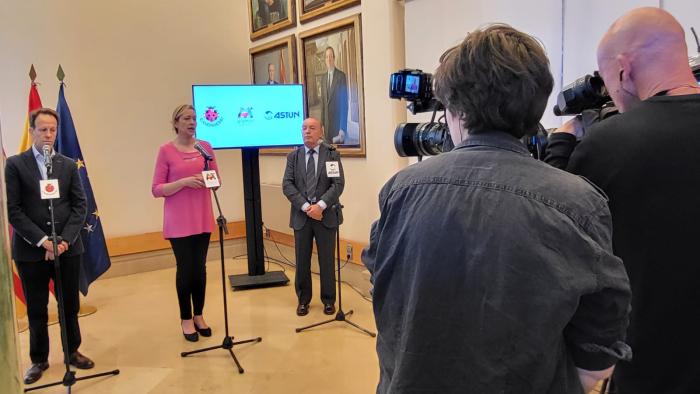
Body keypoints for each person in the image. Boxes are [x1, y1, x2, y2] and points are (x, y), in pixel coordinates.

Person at [361, 24, 632, 394]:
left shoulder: (400, 190)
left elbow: (382, 291)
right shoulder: (580, 203)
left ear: (454, 108)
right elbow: (597, 352)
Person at [544, 7, 700, 393]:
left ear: (623, 69)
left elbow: (559, 222)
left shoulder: (608, 145)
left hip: (650, 366)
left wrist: (561, 143)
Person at [5, 108, 94, 385]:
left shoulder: (67, 164)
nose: (48, 134)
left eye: (52, 130)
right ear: (32, 131)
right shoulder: (16, 165)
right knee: (37, 307)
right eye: (42, 129)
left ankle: (72, 351)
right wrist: (44, 241)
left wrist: (64, 240)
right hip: (32, 250)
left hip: (68, 247)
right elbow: (14, 209)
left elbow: (80, 205)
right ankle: (39, 359)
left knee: (69, 303)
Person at [152, 104, 219, 342]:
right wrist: (183, 182)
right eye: (186, 118)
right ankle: (186, 319)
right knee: (186, 269)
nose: (192, 122)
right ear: (176, 123)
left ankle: (199, 315)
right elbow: (157, 189)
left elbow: (216, 181)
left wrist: (206, 178)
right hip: (179, 221)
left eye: (194, 118)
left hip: (202, 217)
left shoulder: (205, 148)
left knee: (200, 269)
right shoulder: (166, 151)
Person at [282, 117, 344, 316]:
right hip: (302, 216)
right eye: (304, 128)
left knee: (327, 260)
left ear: (321, 131)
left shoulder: (332, 154)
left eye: (312, 128)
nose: (307, 131)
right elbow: (287, 185)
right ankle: (303, 300)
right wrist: (307, 206)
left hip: (325, 216)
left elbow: (338, 184)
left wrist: (321, 205)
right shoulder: (294, 156)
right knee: (302, 261)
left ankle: (328, 300)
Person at [320, 47, 348, 144]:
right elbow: (323, 104)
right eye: (327, 57)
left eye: (331, 56)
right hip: (327, 130)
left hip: (338, 129)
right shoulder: (323, 79)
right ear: (325, 60)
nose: (329, 59)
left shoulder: (341, 76)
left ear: (334, 58)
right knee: (327, 157)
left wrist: (342, 128)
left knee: (338, 157)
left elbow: (344, 105)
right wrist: (322, 125)